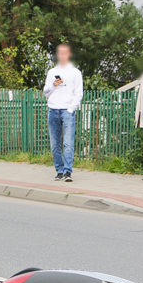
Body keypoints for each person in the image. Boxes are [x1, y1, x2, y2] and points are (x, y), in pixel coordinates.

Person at [43, 43, 83, 183]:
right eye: (60, 53)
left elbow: (78, 93)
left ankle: (67, 171)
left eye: (65, 52)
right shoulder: (51, 72)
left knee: (68, 143)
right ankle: (59, 170)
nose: (62, 55)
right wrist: (54, 85)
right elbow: (45, 92)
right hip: (53, 109)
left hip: (67, 110)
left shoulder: (75, 73)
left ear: (69, 54)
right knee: (55, 143)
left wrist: (71, 108)